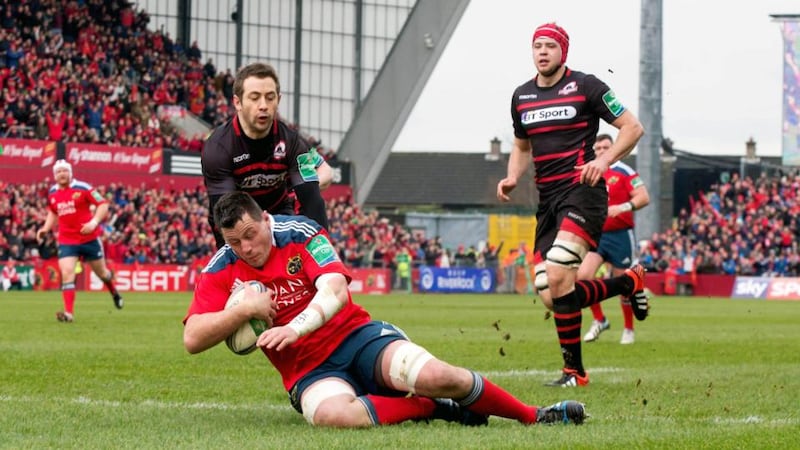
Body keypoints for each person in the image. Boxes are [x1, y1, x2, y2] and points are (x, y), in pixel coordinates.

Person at [183, 191, 586, 428]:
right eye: (236, 242)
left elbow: (335, 289)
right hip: (307, 372)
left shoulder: (300, 232)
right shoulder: (222, 266)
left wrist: (297, 327)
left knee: (438, 374)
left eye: (251, 235)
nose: (247, 248)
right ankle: (429, 408)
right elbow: (192, 338)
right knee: (333, 417)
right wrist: (242, 311)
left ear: (265, 219)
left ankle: (534, 415)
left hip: (356, 338)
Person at [496, 22, 649, 387]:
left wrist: (604, 160)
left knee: (561, 272)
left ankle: (575, 373)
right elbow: (521, 146)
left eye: (550, 45)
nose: (543, 52)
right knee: (552, 295)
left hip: (583, 191)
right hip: (548, 202)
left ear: (564, 51)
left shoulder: (587, 86)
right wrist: (513, 177)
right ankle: (627, 283)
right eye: (538, 46)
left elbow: (632, 127)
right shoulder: (522, 97)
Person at [202, 62, 332, 249]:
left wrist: (324, 256)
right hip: (239, 220)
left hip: (280, 214)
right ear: (238, 103)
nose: (263, 105)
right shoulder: (218, 148)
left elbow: (313, 197)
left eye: (270, 98)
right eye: (254, 98)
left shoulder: (293, 142)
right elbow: (226, 213)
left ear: (278, 100)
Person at [578, 134, 651, 345]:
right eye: (598, 148)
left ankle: (628, 329)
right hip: (597, 234)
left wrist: (624, 207)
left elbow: (643, 197)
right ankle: (600, 320)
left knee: (624, 285)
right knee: (583, 277)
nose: (601, 151)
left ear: (614, 149)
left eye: (605, 147)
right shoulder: (590, 172)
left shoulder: (624, 171)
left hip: (621, 236)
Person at [36, 160, 123, 322]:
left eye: (64, 171)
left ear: (70, 173)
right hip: (67, 241)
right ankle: (69, 314)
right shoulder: (53, 193)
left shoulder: (83, 188)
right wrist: (46, 228)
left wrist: (93, 223)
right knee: (67, 273)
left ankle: (114, 292)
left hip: (89, 239)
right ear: (55, 175)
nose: (61, 174)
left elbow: (102, 204)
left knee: (103, 274)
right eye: (58, 172)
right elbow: (53, 212)